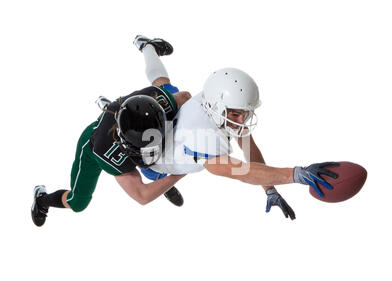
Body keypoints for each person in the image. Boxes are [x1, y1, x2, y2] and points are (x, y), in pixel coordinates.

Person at [131, 35, 339, 220]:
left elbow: (248, 146)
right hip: (155, 162)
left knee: (164, 86)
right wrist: (296, 174)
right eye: (236, 114)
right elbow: (245, 171)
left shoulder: (213, 99)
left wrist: (269, 190)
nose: (241, 121)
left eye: (245, 114)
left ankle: (147, 46)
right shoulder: (203, 140)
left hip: (173, 128)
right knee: (157, 174)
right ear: (217, 106)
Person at [31, 37, 192, 227]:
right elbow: (142, 195)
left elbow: (185, 97)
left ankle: (148, 46)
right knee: (78, 203)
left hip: (129, 115)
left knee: (164, 87)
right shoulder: (106, 151)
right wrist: (180, 172)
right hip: (93, 146)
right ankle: (42, 200)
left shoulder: (159, 100)